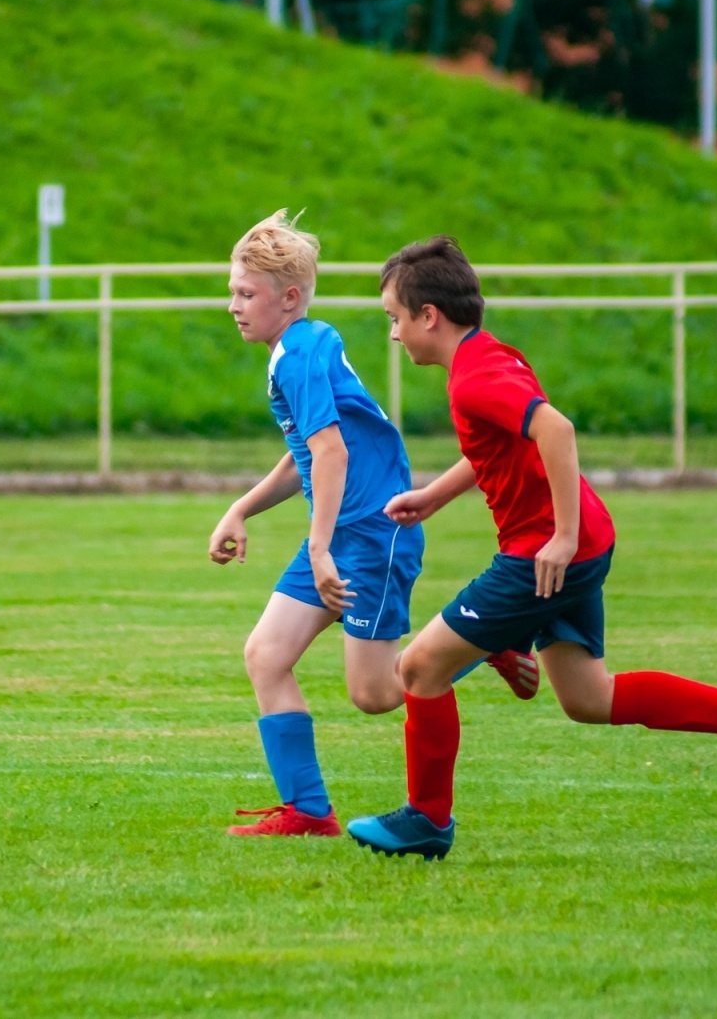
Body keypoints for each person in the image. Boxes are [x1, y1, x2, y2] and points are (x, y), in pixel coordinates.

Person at [346, 236, 717, 860]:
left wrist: (560, 538)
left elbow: (555, 429)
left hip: (547, 553)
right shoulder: (488, 356)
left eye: (394, 319)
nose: (393, 334)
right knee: (590, 698)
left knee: (418, 668)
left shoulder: (472, 380)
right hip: (581, 544)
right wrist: (435, 495)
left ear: (428, 316)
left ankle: (428, 820)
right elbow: (503, 446)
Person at [210, 212, 538, 838]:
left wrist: (319, 543)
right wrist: (242, 508)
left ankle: (482, 640)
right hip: (341, 536)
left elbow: (331, 453)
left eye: (245, 293)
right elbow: (307, 451)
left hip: (371, 535)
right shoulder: (297, 349)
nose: (234, 306)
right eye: (232, 291)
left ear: (289, 298)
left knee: (378, 694)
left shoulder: (301, 355)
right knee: (265, 655)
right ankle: (309, 811)